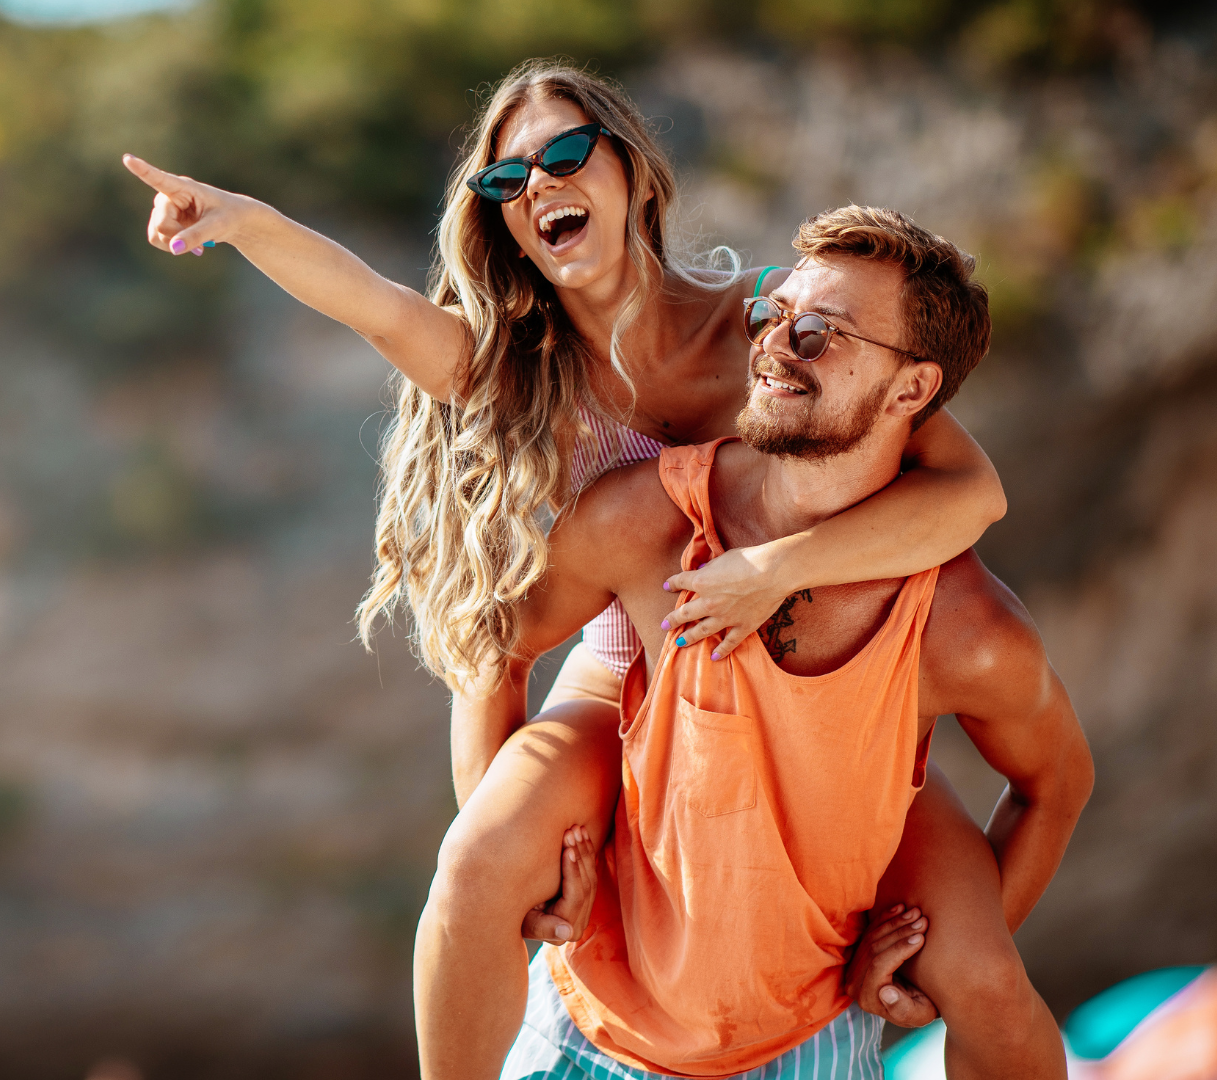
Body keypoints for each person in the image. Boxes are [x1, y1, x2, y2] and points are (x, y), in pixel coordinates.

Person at [122, 62, 1031, 1074]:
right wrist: (244, 222)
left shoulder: (774, 319)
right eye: (506, 182)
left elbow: (970, 494)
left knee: (980, 963)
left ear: (633, 172)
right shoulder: (518, 373)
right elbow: (372, 307)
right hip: (628, 656)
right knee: (474, 864)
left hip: (813, 667)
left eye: (564, 153)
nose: (539, 184)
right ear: (506, 224)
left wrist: (775, 569)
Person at [422, 206, 1094, 1080]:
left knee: (995, 992)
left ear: (911, 391)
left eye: (817, 334)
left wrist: (934, 972)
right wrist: (528, 871)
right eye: (771, 316)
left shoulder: (963, 631)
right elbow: (493, 647)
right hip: (591, 1031)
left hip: (803, 1041)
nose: (775, 347)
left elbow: (1057, 782)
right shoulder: (648, 518)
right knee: (472, 858)